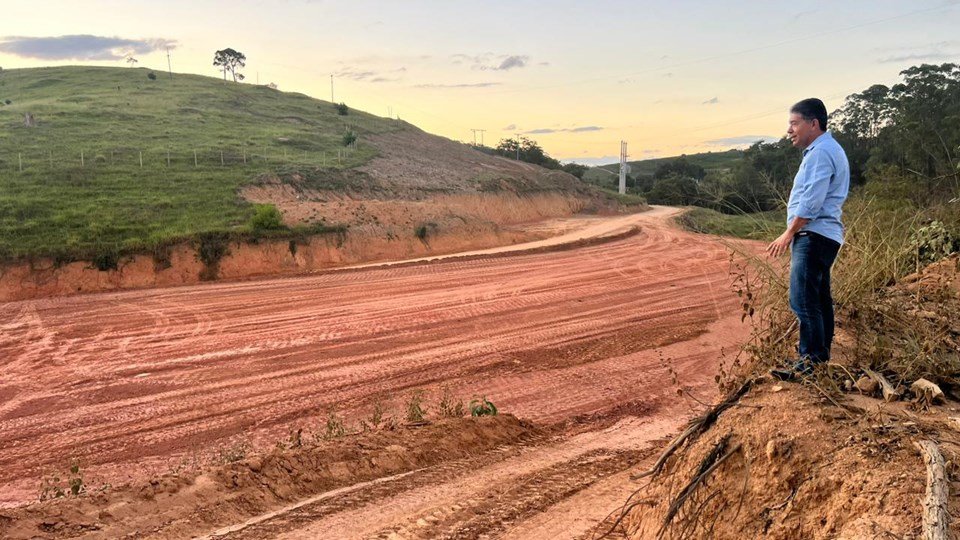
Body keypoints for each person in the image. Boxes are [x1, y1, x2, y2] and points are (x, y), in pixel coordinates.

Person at [767, 98, 850, 380]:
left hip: (813, 235)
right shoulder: (826, 149)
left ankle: (810, 364)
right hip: (824, 235)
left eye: (794, 123)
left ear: (813, 124)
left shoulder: (820, 153)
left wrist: (789, 233)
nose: (789, 130)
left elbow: (812, 203)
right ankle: (819, 359)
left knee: (802, 300)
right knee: (819, 298)